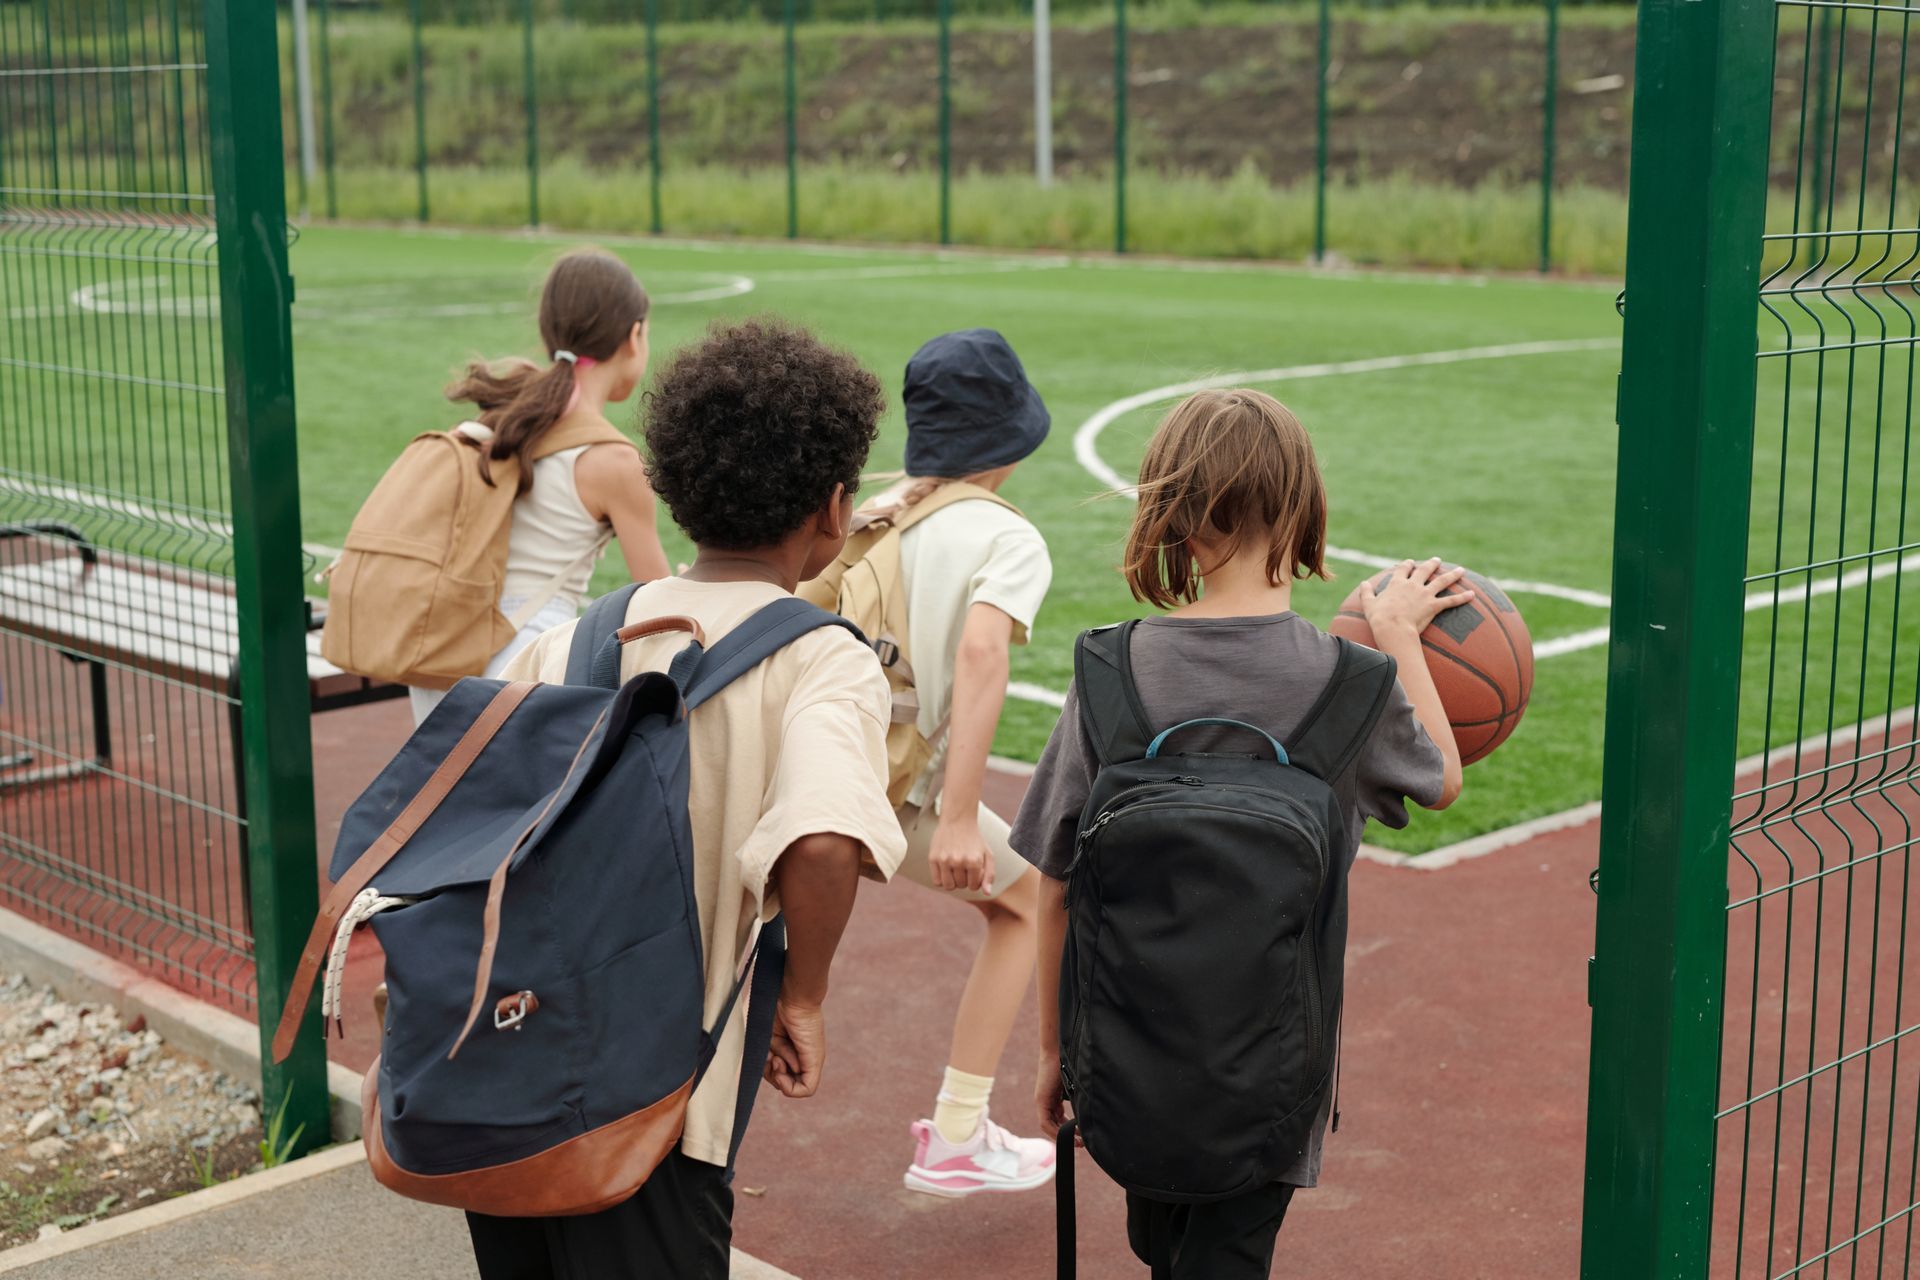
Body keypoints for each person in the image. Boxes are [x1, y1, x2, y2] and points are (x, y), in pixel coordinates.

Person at [478, 317, 907, 1278]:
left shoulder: (581, 637)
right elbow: (826, 839)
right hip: (656, 1109)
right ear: (833, 509)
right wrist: (805, 996)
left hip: (517, 1074)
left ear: (674, 486)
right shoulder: (820, 659)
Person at [1011, 388, 1468, 1278]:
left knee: (1163, 1246)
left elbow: (1056, 882)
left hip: (1129, 1052)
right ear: (1304, 509)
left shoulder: (1109, 669)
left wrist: (1052, 1052)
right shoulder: (1353, 682)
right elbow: (1441, 781)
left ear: (1167, 516)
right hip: (1274, 1072)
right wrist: (1399, 637)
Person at [863, 329, 1059, 1197]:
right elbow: (982, 655)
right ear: (1012, 441)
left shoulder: (877, 510)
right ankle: (954, 1136)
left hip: (800, 766)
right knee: (1031, 901)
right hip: (892, 788)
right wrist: (953, 816)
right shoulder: (1007, 539)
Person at [409, 247, 669, 724]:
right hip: (527, 667)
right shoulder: (612, 461)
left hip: (444, 658)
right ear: (634, 337)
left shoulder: (503, 420)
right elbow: (659, 610)